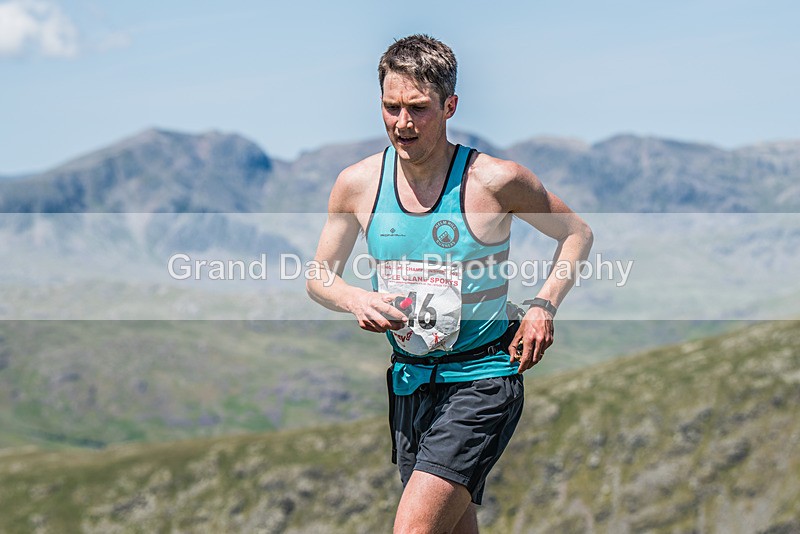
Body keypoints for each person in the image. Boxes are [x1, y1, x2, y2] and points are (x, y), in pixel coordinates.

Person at [307, 34, 593, 534]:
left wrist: (543, 305)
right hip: (411, 382)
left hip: (482, 379)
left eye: (418, 108)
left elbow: (576, 234)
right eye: (391, 107)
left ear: (449, 105)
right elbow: (319, 277)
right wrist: (355, 297)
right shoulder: (357, 184)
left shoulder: (494, 181)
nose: (403, 123)